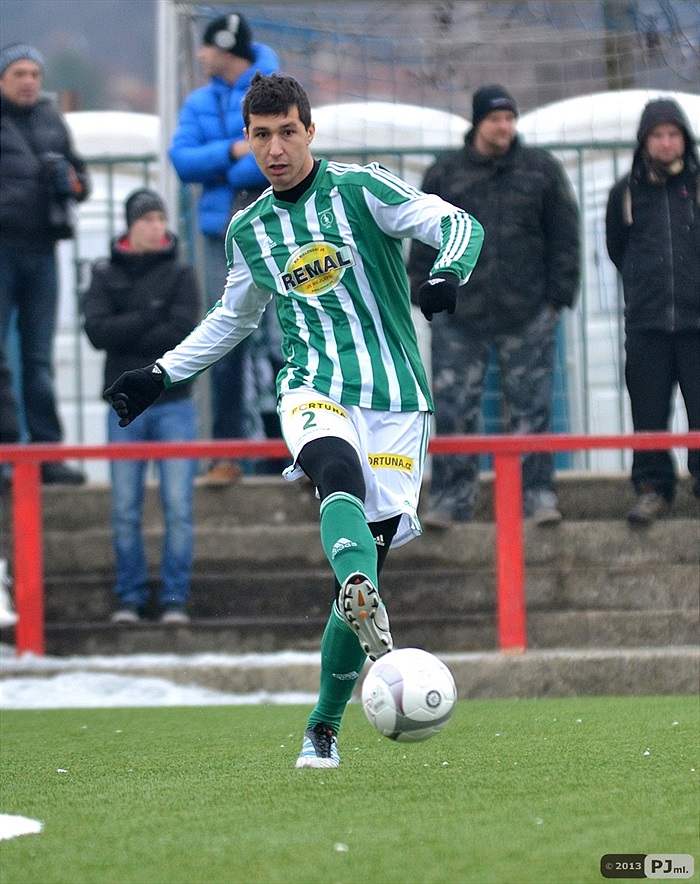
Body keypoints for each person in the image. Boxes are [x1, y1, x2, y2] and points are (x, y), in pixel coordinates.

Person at [104, 73, 483, 767]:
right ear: (247, 141)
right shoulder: (251, 230)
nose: (274, 148)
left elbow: (458, 222)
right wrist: (162, 373)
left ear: (310, 130)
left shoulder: (362, 190)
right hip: (313, 384)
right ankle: (354, 593)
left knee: (366, 549)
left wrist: (449, 272)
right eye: (260, 135)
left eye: (286, 132)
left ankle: (323, 721)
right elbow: (232, 319)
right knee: (333, 468)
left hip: (396, 395)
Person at [408, 84, 580, 527]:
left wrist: (558, 298)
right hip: (458, 314)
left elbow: (564, 235)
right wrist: (422, 291)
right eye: (495, 119)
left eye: (510, 119)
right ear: (478, 123)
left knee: (532, 412)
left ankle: (537, 498)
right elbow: (424, 237)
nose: (504, 127)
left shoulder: (541, 171)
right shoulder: (445, 174)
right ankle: (450, 501)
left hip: (527, 312)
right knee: (453, 413)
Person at [169, 13, 280, 484]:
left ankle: (290, 452)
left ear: (225, 49)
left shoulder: (277, 93)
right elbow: (182, 160)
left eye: (207, 48)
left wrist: (229, 166)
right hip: (224, 235)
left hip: (277, 229)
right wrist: (233, 152)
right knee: (225, 337)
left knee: (285, 340)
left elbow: (272, 161)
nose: (200, 55)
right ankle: (227, 454)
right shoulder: (200, 101)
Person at [83, 189, 201, 624]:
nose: (157, 226)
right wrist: (152, 315)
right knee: (125, 510)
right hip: (124, 405)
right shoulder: (104, 273)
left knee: (179, 509)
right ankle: (128, 599)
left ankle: (175, 599)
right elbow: (97, 332)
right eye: (148, 218)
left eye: (160, 218)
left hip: (175, 403)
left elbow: (184, 333)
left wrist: (129, 328)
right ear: (131, 224)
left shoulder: (182, 274)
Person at [606, 98, 700, 526]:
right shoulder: (623, 192)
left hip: (697, 324)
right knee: (648, 413)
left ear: (686, 140)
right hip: (646, 325)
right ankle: (652, 490)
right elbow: (617, 250)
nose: (666, 143)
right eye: (658, 135)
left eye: (674, 134)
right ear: (645, 141)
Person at [0, 43, 91, 484]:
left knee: (38, 358)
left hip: (41, 250)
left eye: (34, 73)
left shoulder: (53, 119)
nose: (28, 81)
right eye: (19, 73)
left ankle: (46, 455)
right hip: (2, 248)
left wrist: (70, 182)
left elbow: (82, 181)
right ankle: (6, 455)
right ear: (3, 79)